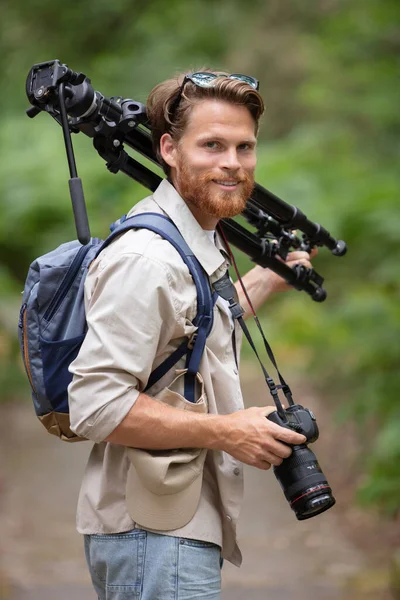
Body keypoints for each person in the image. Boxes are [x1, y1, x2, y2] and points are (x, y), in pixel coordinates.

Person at [68, 70, 314, 600]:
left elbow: (193, 326)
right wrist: (228, 431)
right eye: (212, 145)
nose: (232, 163)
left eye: (244, 147)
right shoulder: (146, 258)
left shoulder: (188, 237)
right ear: (169, 149)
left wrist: (270, 276)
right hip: (153, 532)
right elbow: (94, 404)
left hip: (169, 520)